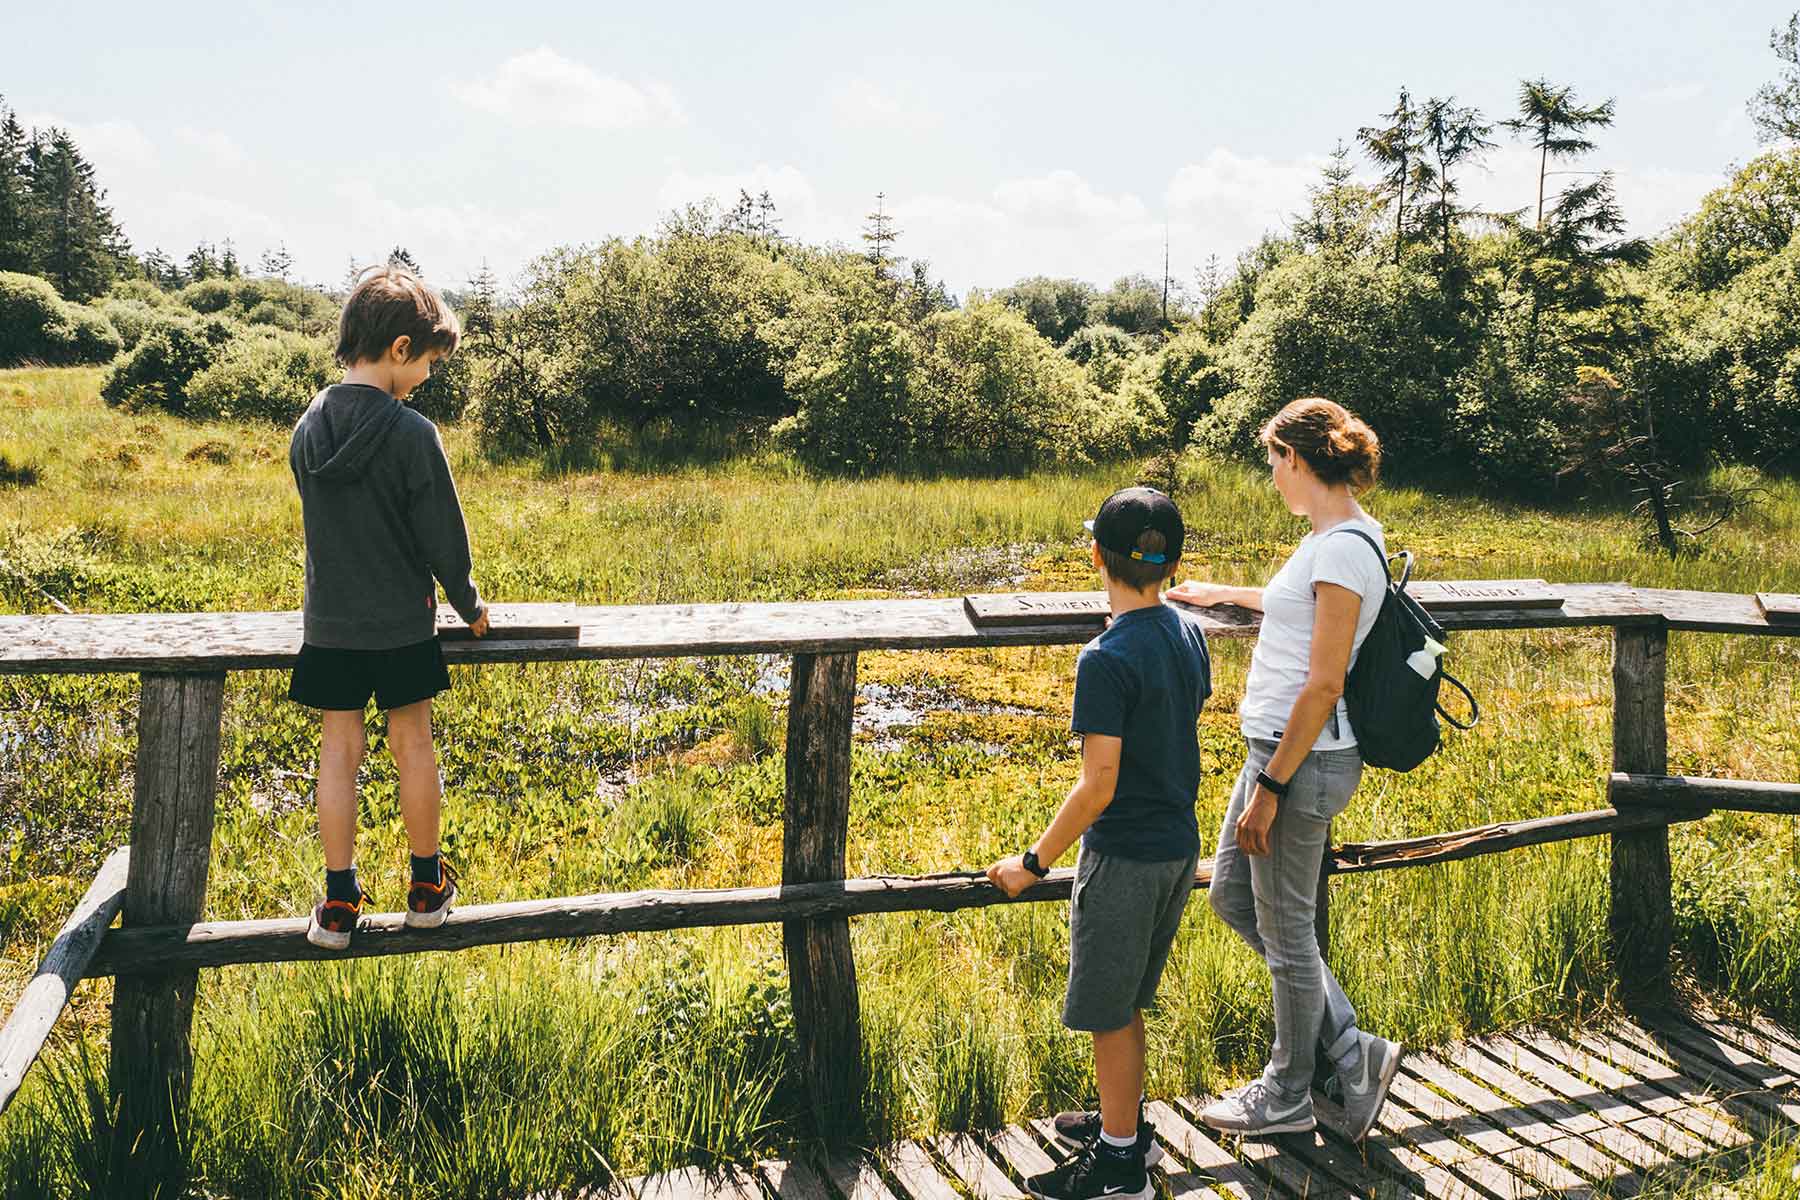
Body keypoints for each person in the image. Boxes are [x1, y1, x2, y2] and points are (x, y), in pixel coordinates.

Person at [1165, 396, 1402, 1142]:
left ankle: (1288, 1093)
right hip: (1277, 754)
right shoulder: (1342, 536)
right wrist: (1219, 595)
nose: (1271, 477)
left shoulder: (1339, 549)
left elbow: (1325, 680)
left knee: (1289, 931)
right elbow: (1292, 608)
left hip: (1297, 762)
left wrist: (1270, 787)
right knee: (1236, 900)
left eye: (1273, 462)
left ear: (1297, 459)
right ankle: (1351, 1051)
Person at [987, 486, 1211, 1200]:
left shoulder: (1104, 659)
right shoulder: (1186, 632)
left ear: (1094, 556)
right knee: (1128, 1002)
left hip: (1124, 855)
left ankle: (1120, 1168)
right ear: (1172, 567)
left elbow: (1098, 786)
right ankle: (1126, 1129)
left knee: (1110, 1014)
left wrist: (1032, 862)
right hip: (1178, 843)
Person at [288, 265, 489, 950]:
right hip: (403, 626)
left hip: (331, 627)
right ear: (400, 348)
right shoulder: (411, 434)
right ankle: (427, 889)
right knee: (413, 746)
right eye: (431, 361)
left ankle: (339, 903)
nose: (430, 376)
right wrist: (468, 604)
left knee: (338, 753)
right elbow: (443, 537)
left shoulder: (308, 428)